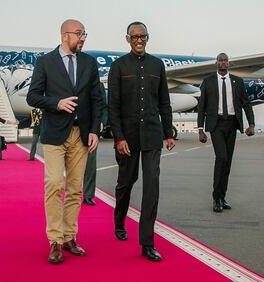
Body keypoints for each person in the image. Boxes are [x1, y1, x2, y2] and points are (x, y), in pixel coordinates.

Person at [27, 19, 103, 264]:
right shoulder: (45, 62)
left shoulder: (89, 63)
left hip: (81, 134)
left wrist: (94, 130)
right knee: (53, 185)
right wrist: (56, 103)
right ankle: (55, 241)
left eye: (85, 34)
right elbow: (32, 96)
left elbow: (96, 99)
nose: (83, 38)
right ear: (65, 35)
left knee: (74, 189)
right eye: (79, 34)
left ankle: (70, 237)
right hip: (55, 134)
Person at [108, 22, 175, 262]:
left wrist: (169, 132)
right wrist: (119, 138)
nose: (139, 40)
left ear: (148, 38)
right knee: (126, 182)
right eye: (134, 36)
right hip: (127, 138)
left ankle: (147, 243)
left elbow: (164, 102)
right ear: (127, 39)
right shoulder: (118, 66)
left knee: (151, 187)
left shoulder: (158, 65)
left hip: (152, 136)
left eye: (143, 36)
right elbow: (113, 107)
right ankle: (119, 220)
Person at [197, 53, 255, 213]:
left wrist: (251, 124)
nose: (223, 63)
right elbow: (202, 106)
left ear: (229, 63)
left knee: (227, 162)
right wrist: (200, 129)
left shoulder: (237, 81)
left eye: (225, 60)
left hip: (232, 124)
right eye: (220, 60)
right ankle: (216, 198)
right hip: (216, 125)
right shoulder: (208, 81)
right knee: (221, 157)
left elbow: (246, 104)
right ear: (216, 62)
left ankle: (222, 197)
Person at [83, 82, 107, 205]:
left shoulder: (97, 84)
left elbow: (103, 105)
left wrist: (101, 121)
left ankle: (88, 194)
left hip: (91, 128)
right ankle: (73, 193)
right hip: (70, 128)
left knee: (90, 163)